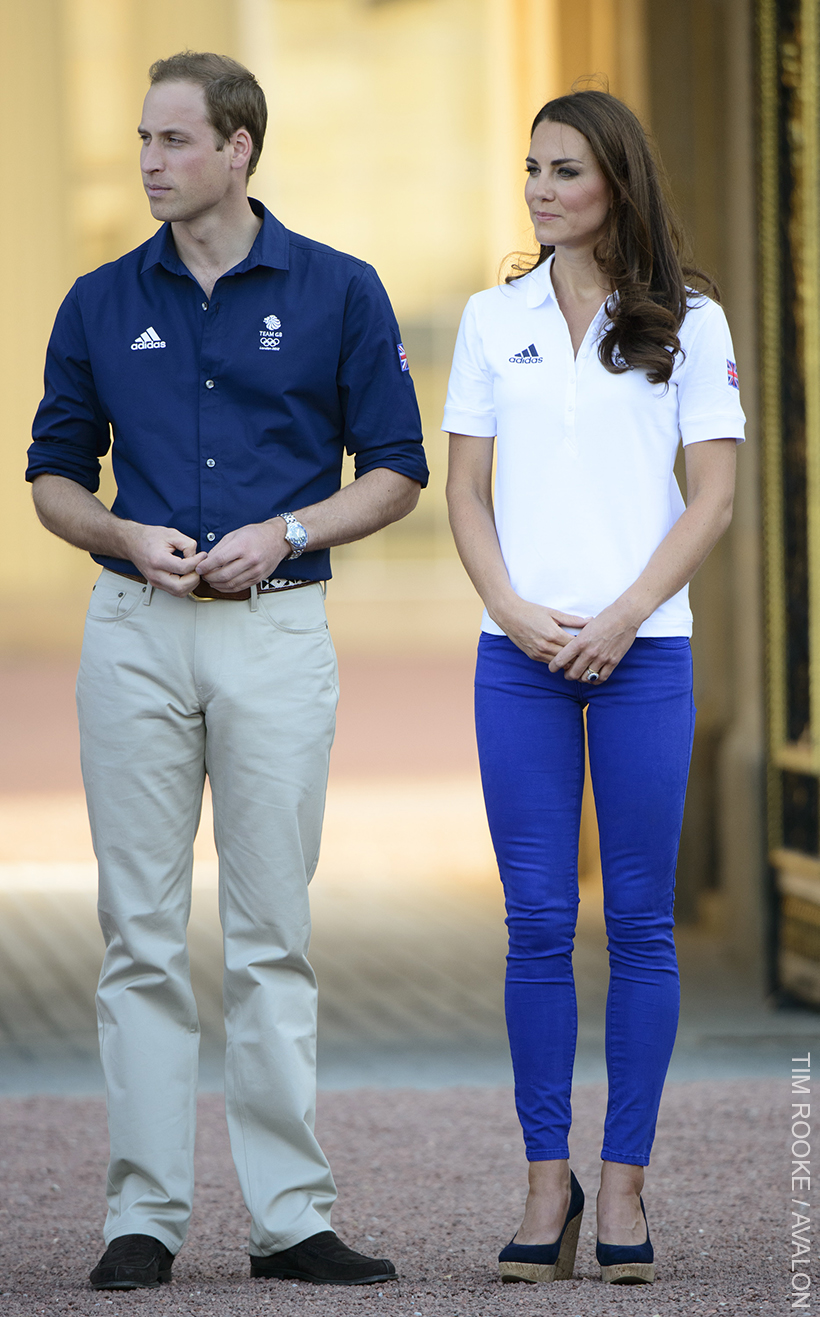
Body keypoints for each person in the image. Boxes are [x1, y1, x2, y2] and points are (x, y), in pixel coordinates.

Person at [26, 51, 428, 1291]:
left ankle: (291, 1219)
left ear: (240, 148)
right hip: (134, 630)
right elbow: (50, 477)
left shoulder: (339, 291)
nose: (149, 162)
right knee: (136, 934)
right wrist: (118, 532)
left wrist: (291, 530)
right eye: (143, 141)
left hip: (277, 631)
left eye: (172, 141)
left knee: (271, 936)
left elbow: (396, 470)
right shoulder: (97, 300)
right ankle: (141, 1217)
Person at [444, 89, 744, 1286]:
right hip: (514, 661)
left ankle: (621, 1188)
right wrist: (516, 612)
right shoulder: (488, 316)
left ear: (615, 179)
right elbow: (465, 492)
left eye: (562, 169)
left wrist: (621, 619)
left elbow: (712, 497)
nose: (539, 188)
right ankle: (542, 1183)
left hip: (644, 658)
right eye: (530, 169)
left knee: (638, 925)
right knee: (533, 925)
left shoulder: (693, 322)